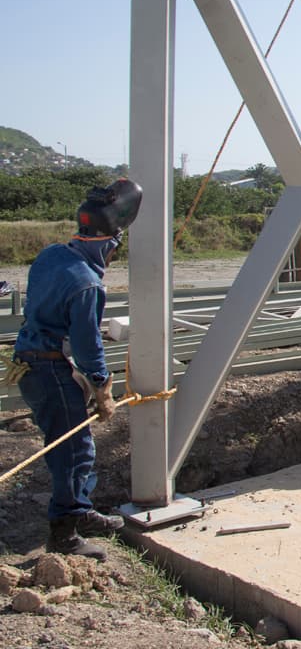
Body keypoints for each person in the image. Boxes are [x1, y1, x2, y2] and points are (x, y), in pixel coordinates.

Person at [9, 179, 143, 561]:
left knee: (68, 446)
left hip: (31, 361)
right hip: (50, 369)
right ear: (110, 243)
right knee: (74, 450)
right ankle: (66, 532)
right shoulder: (87, 286)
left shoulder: (52, 255)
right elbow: (87, 345)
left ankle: (80, 509)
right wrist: (102, 387)